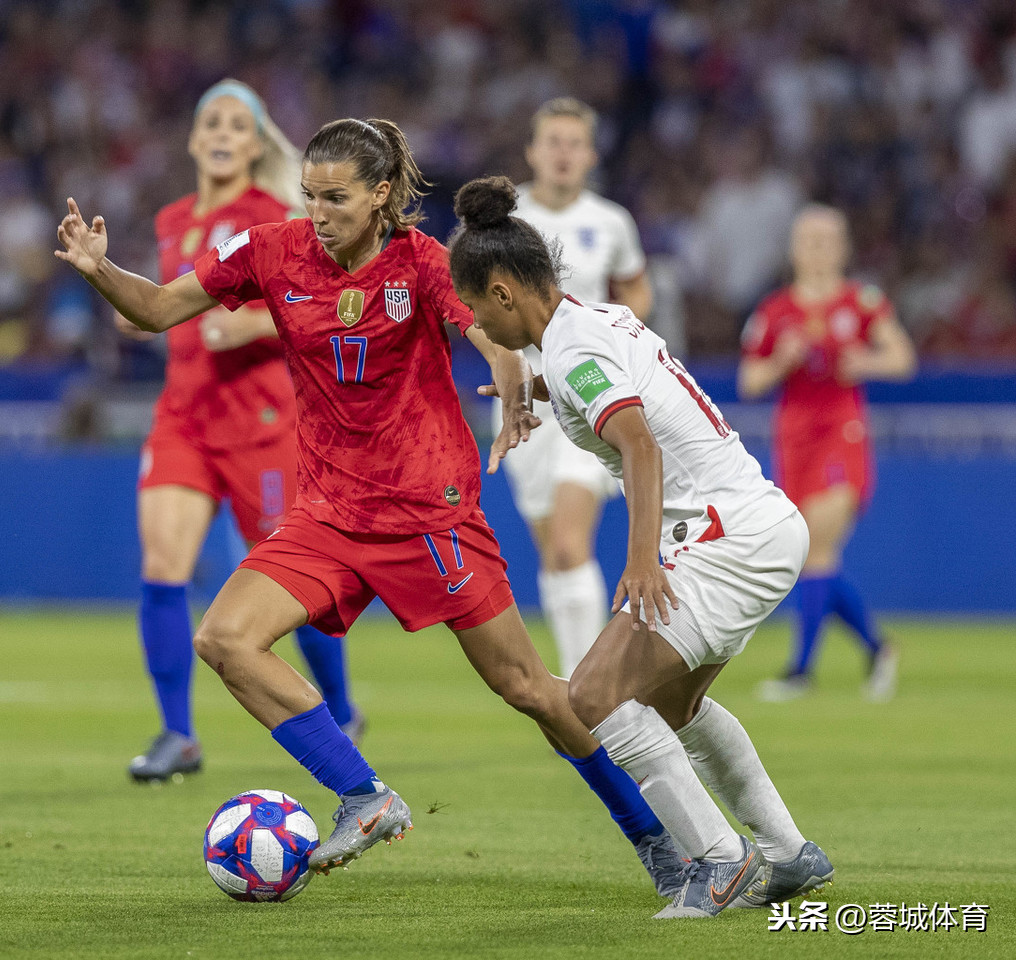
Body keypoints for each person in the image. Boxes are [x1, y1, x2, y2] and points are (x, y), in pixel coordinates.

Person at [56, 118, 689, 889]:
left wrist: (516, 384)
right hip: (326, 514)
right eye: (310, 197)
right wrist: (98, 268)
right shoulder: (270, 249)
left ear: (382, 193)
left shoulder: (423, 263)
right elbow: (156, 310)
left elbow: (490, 337)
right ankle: (363, 794)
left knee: (528, 689)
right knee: (224, 639)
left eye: (337, 199)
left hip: (431, 515)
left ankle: (657, 838)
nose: (318, 214)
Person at [448, 175, 832, 919]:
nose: (473, 324)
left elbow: (640, 443)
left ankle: (721, 864)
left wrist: (640, 557)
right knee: (676, 704)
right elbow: (624, 397)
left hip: (722, 538)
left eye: (471, 307)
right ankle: (788, 854)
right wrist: (535, 391)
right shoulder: (595, 322)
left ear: (501, 293)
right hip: (759, 521)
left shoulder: (571, 352)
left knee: (590, 697)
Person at [117, 81, 361, 782]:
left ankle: (340, 707)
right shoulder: (172, 220)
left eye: (236, 123)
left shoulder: (276, 217)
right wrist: (130, 307)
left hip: (263, 422)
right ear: (195, 139)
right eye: (210, 120)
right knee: (163, 563)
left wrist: (251, 322)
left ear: (256, 145)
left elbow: (325, 308)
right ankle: (177, 734)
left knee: (290, 580)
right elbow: (167, 307)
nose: (222, 132)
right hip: (184, 417)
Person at [498, 97, 654, 678]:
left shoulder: (610, 221)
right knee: (553, 553)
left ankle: (588, 694)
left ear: (590, 155)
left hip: (587, 390)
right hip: (522, 397)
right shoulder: (502, 221)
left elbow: (638, 292)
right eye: (552, 142)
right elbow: (464, 298)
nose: (563, 154)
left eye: (574, 143)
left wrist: (612, 329)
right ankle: (586, 687)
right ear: (532, 151)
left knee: (568, 542)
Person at [739, 205, 916, 702]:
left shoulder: (862, 302)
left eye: (827, 239)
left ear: (843, 248)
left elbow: (902, 358)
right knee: (810, 557)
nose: (817, 248)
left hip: (843, 430)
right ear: (794, 248)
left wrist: (866, 360)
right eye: (808, 239)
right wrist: (781, 362)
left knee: (816, 545)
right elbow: (749, 379)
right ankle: (878, 647)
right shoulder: (775, 311)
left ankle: (801, 671)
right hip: (794, 437)